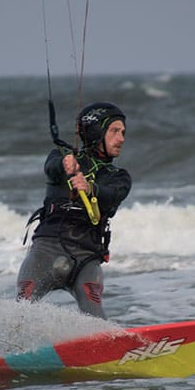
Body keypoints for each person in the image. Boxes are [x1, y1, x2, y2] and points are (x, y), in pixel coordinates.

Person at [16, 101, 131, 319]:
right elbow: (52, 167)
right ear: (97, 132)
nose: (121, 138)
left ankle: (108, 350)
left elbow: (113, 194)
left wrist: (90, 188)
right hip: (46, 252)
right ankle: (5, 350)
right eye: (115, 131)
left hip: (86, 259)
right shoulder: (61, 157)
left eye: (123, 132)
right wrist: (64, 163)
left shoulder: (118, 176)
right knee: (22, 307)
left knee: (95, 315)